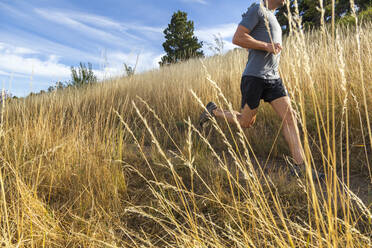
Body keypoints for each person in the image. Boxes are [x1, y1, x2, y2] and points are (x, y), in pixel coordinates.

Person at [199, 0, 324, 181]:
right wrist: (266, 46)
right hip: (254, 77)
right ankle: (213, 111)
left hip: (274, 79)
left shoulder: (273, 17)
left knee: (290, 117)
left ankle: (300, 167)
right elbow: (238, 38)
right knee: (245, 122)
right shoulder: (257, 9)